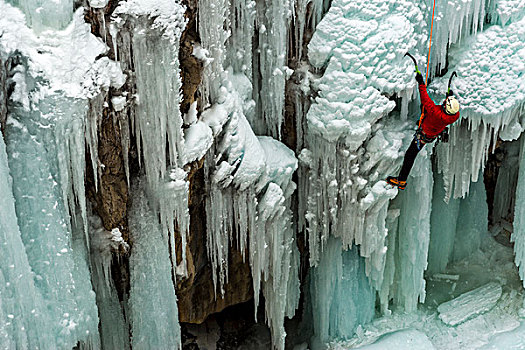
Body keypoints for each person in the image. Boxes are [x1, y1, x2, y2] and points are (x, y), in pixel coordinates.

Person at [387, 72, 460, 190]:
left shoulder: (435, 113)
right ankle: (401, 180)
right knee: (412, 153)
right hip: (432, 133)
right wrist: (449, 97)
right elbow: (449, 110)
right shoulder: (454, 116)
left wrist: (421, 83)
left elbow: (425, 99)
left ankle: (401, 181)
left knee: (410, 156)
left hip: (424, 135)